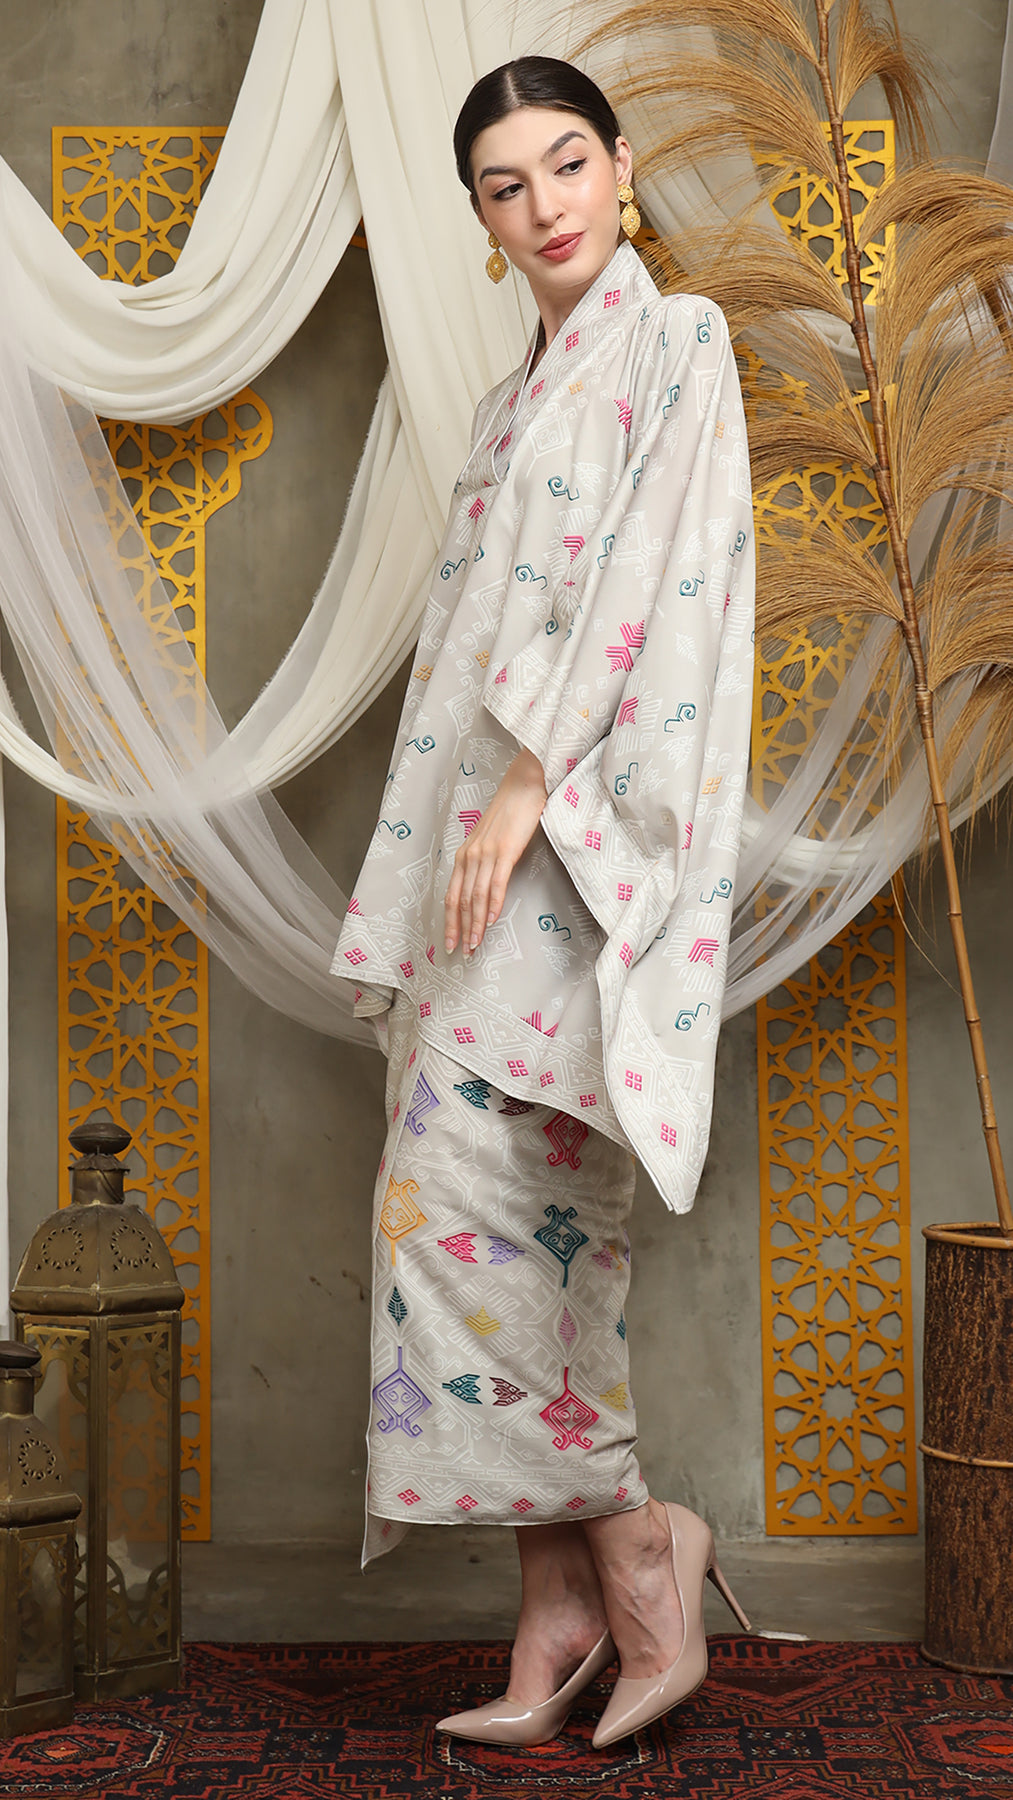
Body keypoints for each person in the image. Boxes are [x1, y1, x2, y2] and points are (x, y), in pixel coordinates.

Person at [332, 54, 755, 1750]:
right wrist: (456, 821)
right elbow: (461, 649)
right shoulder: (514, 400)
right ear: (480, 216)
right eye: (505, 185)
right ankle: (561, 1606)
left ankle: (642, 1555)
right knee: (472, 1222)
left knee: (508, 1208)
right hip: (473, 859)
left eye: (566, 162)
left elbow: (664, 583)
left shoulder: (677, 343)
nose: (544, 205)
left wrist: (526, 786)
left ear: (620, 164)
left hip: (573, 846)